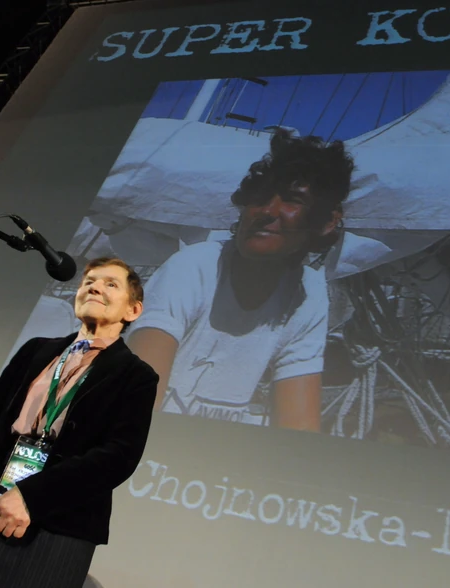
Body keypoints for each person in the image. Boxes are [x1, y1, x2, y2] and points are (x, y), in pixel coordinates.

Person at [0, 257, 158, 588]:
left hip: (53, 529)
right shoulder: (36, 350)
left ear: (133, 310)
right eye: (88, 282)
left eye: (110, 284)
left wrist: (31, 497)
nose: (94, 287)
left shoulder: (137, 375)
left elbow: (118, 457)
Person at [128, 129, 354, 432]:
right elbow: (133, 409)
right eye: (259, 197)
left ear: (327, 222)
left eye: (292, 200)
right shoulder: (195, 268)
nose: (266, 211)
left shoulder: (308, 294)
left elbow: (298, 429)